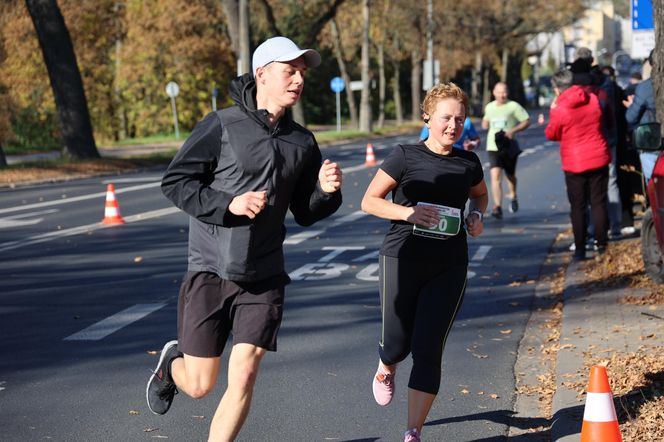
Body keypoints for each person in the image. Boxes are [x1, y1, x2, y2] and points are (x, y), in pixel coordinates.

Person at [146, 36, 343, 441]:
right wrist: (228, 205)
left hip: (265, 272)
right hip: (212, 268)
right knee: (200, 385)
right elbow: (176, 182)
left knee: (246, 373)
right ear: (262, 74)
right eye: (290, 70)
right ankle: (171, 365)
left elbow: (306, 212)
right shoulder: (221, 125)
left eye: (302, 72)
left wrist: (325, 191)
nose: (298, 80)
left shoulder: (302, 141)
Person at [361, 82, 488, 442]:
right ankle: (387, 365)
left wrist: (477, 217)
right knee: (397, 344)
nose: (453, 126)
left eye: (459, 120)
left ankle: (413, 431)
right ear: (427, 116)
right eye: (446, 118)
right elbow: (369, 201)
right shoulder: (404, 156)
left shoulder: (468, 162)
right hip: (402, 259)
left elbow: (480, 196)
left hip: (450, 264)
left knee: (429, 348)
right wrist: (408, 213)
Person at [545, 69, 610, 260]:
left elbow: (552, 134)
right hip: (598, 155)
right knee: (598, 202)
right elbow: (599, 120)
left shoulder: (560, 109)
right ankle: (602, 244)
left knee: (578, 206)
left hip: (575, 162)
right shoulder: (592, 99)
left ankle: (580, 249)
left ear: (557, 89)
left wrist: (553, 109)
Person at [571, 48, 622, 238]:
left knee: (587, 192)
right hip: (608, 139)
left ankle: (592, 230)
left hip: (584, 143)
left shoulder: (576, 86)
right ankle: (614, 226)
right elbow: (610, 114)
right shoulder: (605, 82)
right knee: (610, 184)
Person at [481, 82, 530, 219]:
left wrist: (513, 130)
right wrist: (485, 124)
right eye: (499, 92)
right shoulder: (489, 107)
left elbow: (526, 121)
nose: (502, 95)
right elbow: (486, 121)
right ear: (494, 93)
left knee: (510, 175)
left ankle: (513, 195)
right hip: (493, 146)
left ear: (507, 93)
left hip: (509, 145)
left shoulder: (513, 106)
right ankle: (497, 206)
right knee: (495, 175)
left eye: (504, 92)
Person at [625, 50, 658, 184]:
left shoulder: (645, 87)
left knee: (654, 184)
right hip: (653, 143)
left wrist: (632, 105)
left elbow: (630, 117)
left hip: (652, 142)